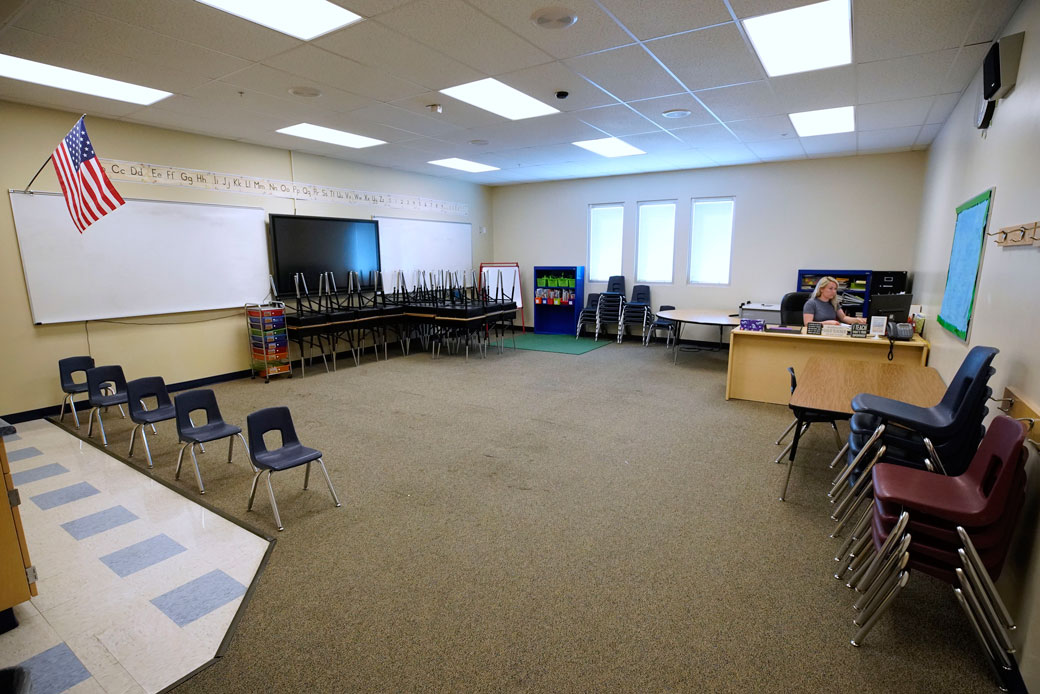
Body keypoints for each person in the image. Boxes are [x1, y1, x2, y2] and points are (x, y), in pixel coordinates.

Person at [802, 276, 867, 326]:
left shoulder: (834, 303)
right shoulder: (811, 303)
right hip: (816, 334)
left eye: (835, 289)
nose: (834, 291)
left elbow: (843, 318)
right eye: (830, 289)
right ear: (821, 289)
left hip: (830, 333)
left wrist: (857, 320)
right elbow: (807, 324)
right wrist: (826, 323)